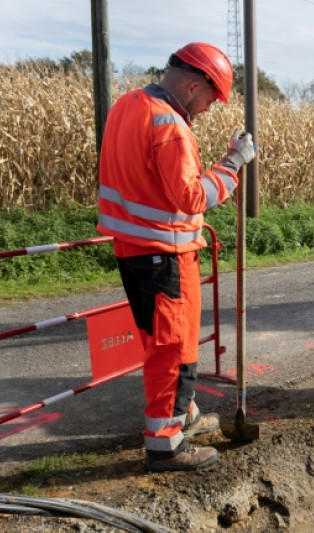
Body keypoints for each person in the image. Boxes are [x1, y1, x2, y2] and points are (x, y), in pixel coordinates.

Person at [96, 42, 255, 471]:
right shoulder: (169, 123)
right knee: (175, 349)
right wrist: (232, 165)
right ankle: (166, 445)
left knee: (158, 342)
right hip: (164, 252)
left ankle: (183, 414)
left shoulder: (127, 106)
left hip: (133, 249)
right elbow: (188, 198)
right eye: (210, 98)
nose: (208, 108)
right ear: (191, 85)